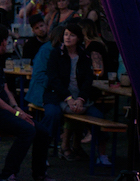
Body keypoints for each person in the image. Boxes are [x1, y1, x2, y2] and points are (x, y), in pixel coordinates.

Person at [0, 23, 60, 181]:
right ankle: (6, 177)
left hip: (0, 110)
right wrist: (15, 112)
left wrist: (17, 108)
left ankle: (39, 174)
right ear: (3, 42)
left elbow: (5, 89)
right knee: (27, 130)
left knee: (42, 131)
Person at [40, 22, 110, 165]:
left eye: (71, 35)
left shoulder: (84, 55)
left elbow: (88, 80)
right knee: (52, 115)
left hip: (79, 98)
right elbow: (54, 79)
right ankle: (41, 154)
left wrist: (81, 98)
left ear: (78, 38)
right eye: (66, 34)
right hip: (57, 96)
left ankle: (102, 154)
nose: (67, 38)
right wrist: (68, 98)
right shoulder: (56, 53)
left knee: (98, 116)